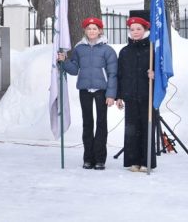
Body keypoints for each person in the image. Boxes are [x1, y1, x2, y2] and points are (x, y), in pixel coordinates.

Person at [57, 17, 118, 169]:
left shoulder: (107, 50)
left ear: (100, 31)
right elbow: (74, 69)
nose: (92, 31)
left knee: (101, 124)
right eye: (89, 28)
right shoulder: (79, 49)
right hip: (85, 90)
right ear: (85, 31)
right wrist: (64, 61)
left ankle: (100, 159)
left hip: (101, 91)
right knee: (87, 123)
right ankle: (88, 158)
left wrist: (111, 95)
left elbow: (113, 74)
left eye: (94, 28)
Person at [116, 10, 157, 172]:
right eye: (132, 29)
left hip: (148, 96)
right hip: (131, 96)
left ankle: (146, 161)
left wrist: (155, 76)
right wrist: (119, 96)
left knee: (146, 128)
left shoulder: (152, 50)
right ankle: (133, 161)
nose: (135, 32)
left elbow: (161, 71)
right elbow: (120, 75)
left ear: (145, 30)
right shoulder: (125, 52)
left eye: (138, 29)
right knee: (132, 130)